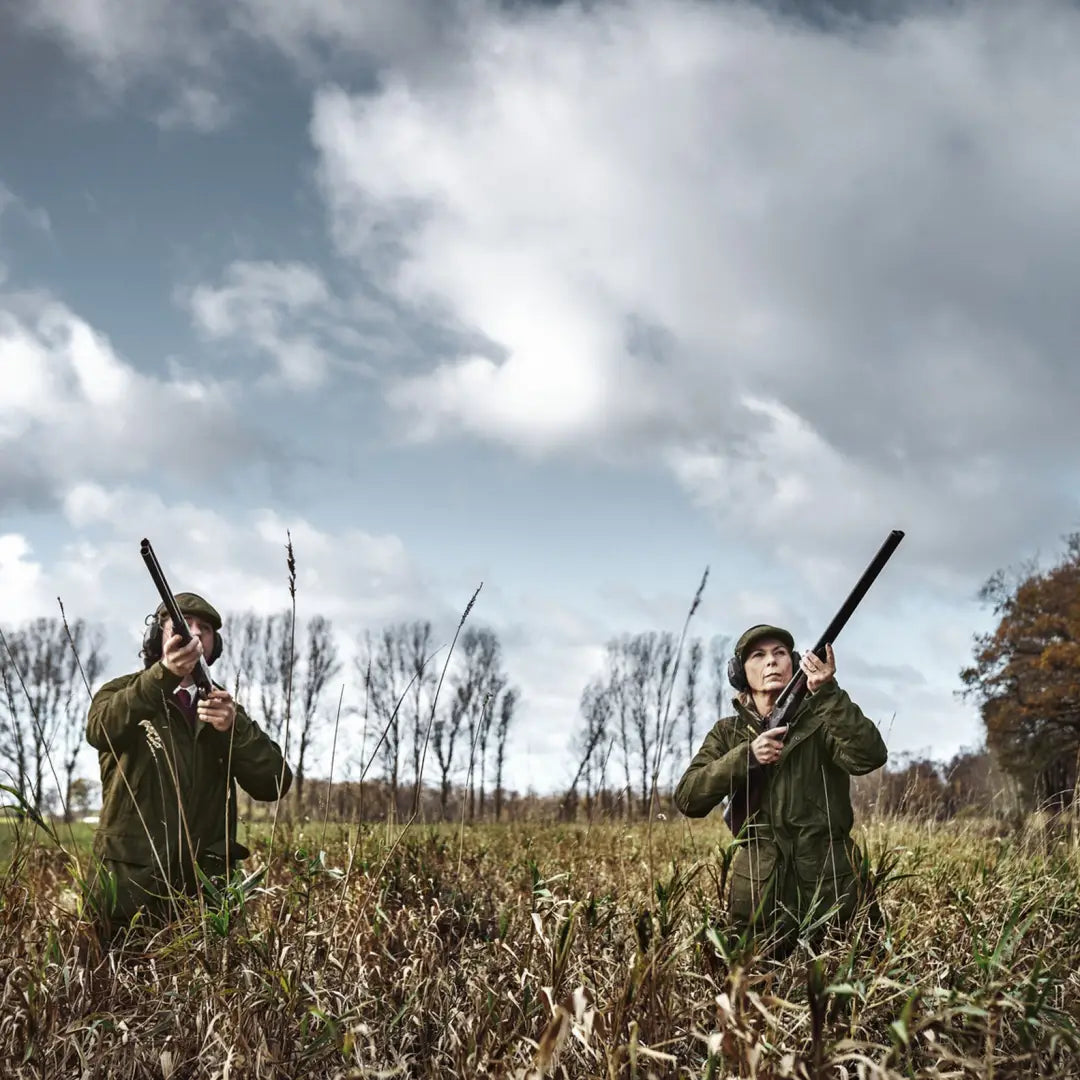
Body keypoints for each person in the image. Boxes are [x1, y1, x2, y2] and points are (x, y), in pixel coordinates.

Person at [86, 592, 292, 937]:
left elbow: (274, 783)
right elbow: (100, 730)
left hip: (203, 891)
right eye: (181, 625)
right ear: (159, 639)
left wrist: (232, 729)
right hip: (129, 887)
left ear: (214, 644)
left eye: (205, 629)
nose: (194, 634)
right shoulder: (123, 692)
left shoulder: (224, 707)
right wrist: (162, 676)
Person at [674, 624, 887, 950]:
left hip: (832, 894)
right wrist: (747, 756)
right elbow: (688, 798)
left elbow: (869, 756)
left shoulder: (822, 717)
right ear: (740, 673)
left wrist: (828, 693)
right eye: (758, 656)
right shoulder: (727, 734)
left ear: (796, 663)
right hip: (760, 904)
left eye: (780, 654)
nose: (771, 662)